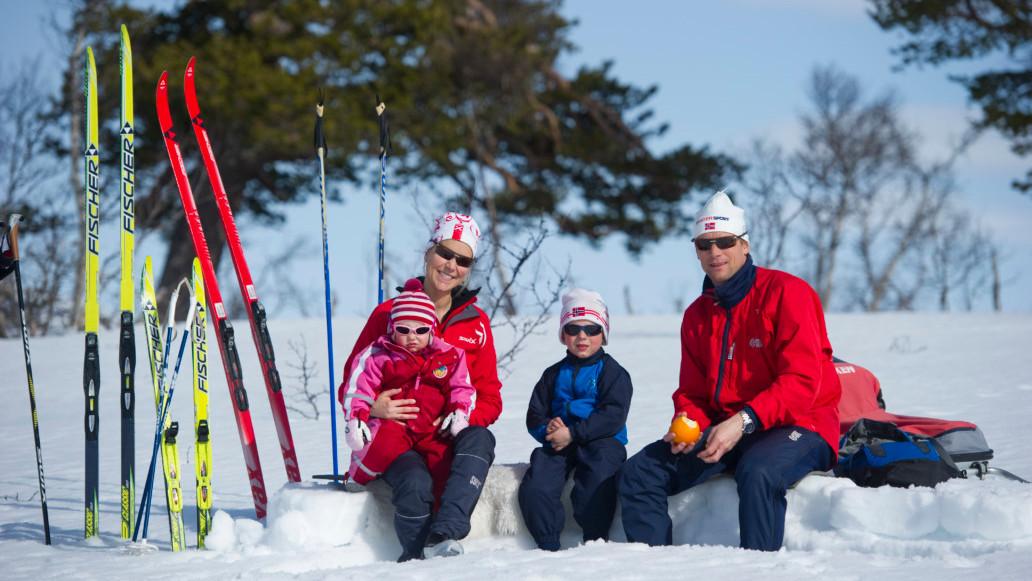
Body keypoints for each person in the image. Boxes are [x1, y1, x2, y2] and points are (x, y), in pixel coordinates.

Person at [619, 191, 841, 552]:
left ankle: (758, 570)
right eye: (704, 245)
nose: (715, 252)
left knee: (759, 472)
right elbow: (692, 392)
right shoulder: (696, 315)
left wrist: (743, 421)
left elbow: (802, 384)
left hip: (801, 425)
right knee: (640, 473)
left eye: (725, 242)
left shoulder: (788, 293)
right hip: (727, 430)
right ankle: (655, 569)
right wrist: (686, 425)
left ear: (745, 245)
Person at [339, 212, 502, 561]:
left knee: (481, 439)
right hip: (397, 434)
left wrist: (459, 417)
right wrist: (373, 408)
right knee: (414, 482)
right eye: (445, 253)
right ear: (429, 252)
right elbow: (351, 382)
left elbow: (490, 396)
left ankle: (446, 536)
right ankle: (413, 557)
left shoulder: (477, 323)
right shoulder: (388, 314)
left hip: (447, 435)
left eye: (463, 260)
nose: (451, 265)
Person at [518, 289, 632, 551]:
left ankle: (595, 541)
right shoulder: (552, 374)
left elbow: (613, 415)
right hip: (558, 442)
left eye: (591, 329)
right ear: (563, 336)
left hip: (602, 440)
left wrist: (574, 432)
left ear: (603, 334)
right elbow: (534, 413)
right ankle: (548, 545)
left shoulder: (613, 373)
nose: (582, 336)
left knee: (598, 478)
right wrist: (548, 429)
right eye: (573, 329)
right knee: (536, 487)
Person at [341, 279, 476, 500]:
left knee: (444, 460)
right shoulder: (378, 355)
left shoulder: (448, 356)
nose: (412, 337)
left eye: (421, 330)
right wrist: (358, 416)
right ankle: (358, 476)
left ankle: (442, 512)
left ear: (431, 329)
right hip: (394, 424)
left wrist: (458, 411)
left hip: (432, 428)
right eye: (404, 330)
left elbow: (462, 387)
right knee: (382, 445)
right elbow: (358, 387)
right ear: (392, 329)